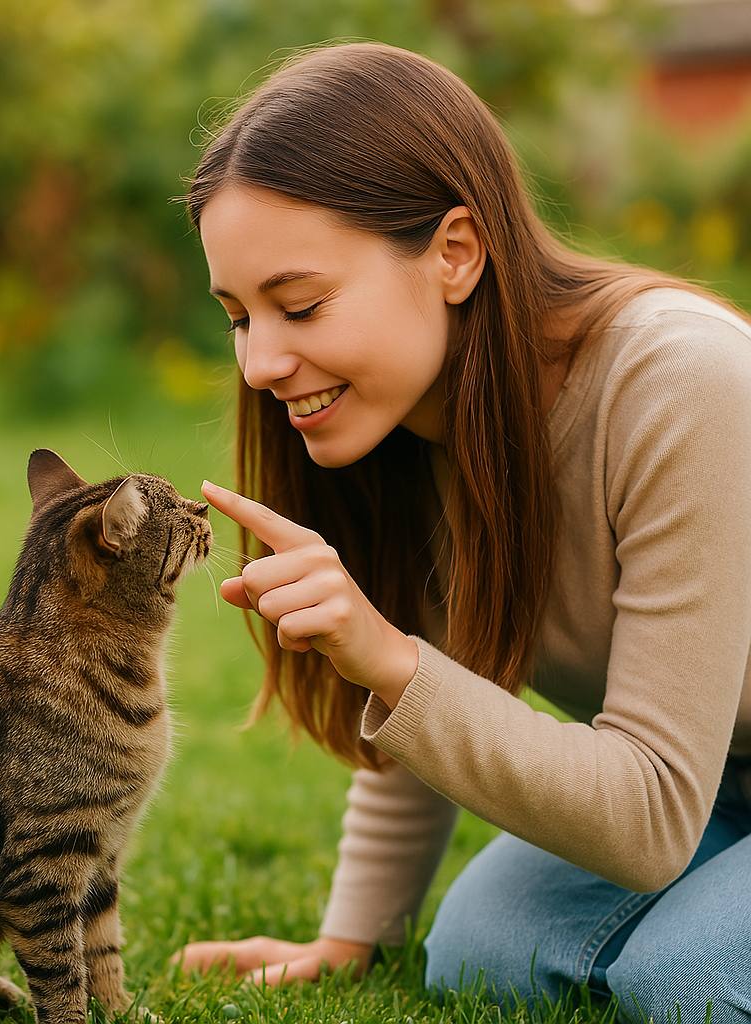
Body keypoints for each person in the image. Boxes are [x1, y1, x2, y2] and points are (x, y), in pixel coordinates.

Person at [173, 41, 751, 1024]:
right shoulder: (414, 424)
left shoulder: (680, 383)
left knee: (683, 978)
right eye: (238, 316)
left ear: (454, 253)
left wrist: (389, 662)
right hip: (725, 784)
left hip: (688, 795)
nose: (262, 362)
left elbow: (650, 814)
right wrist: (351, 935)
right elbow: (445, 693)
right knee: (482, 951)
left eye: (299, 303)